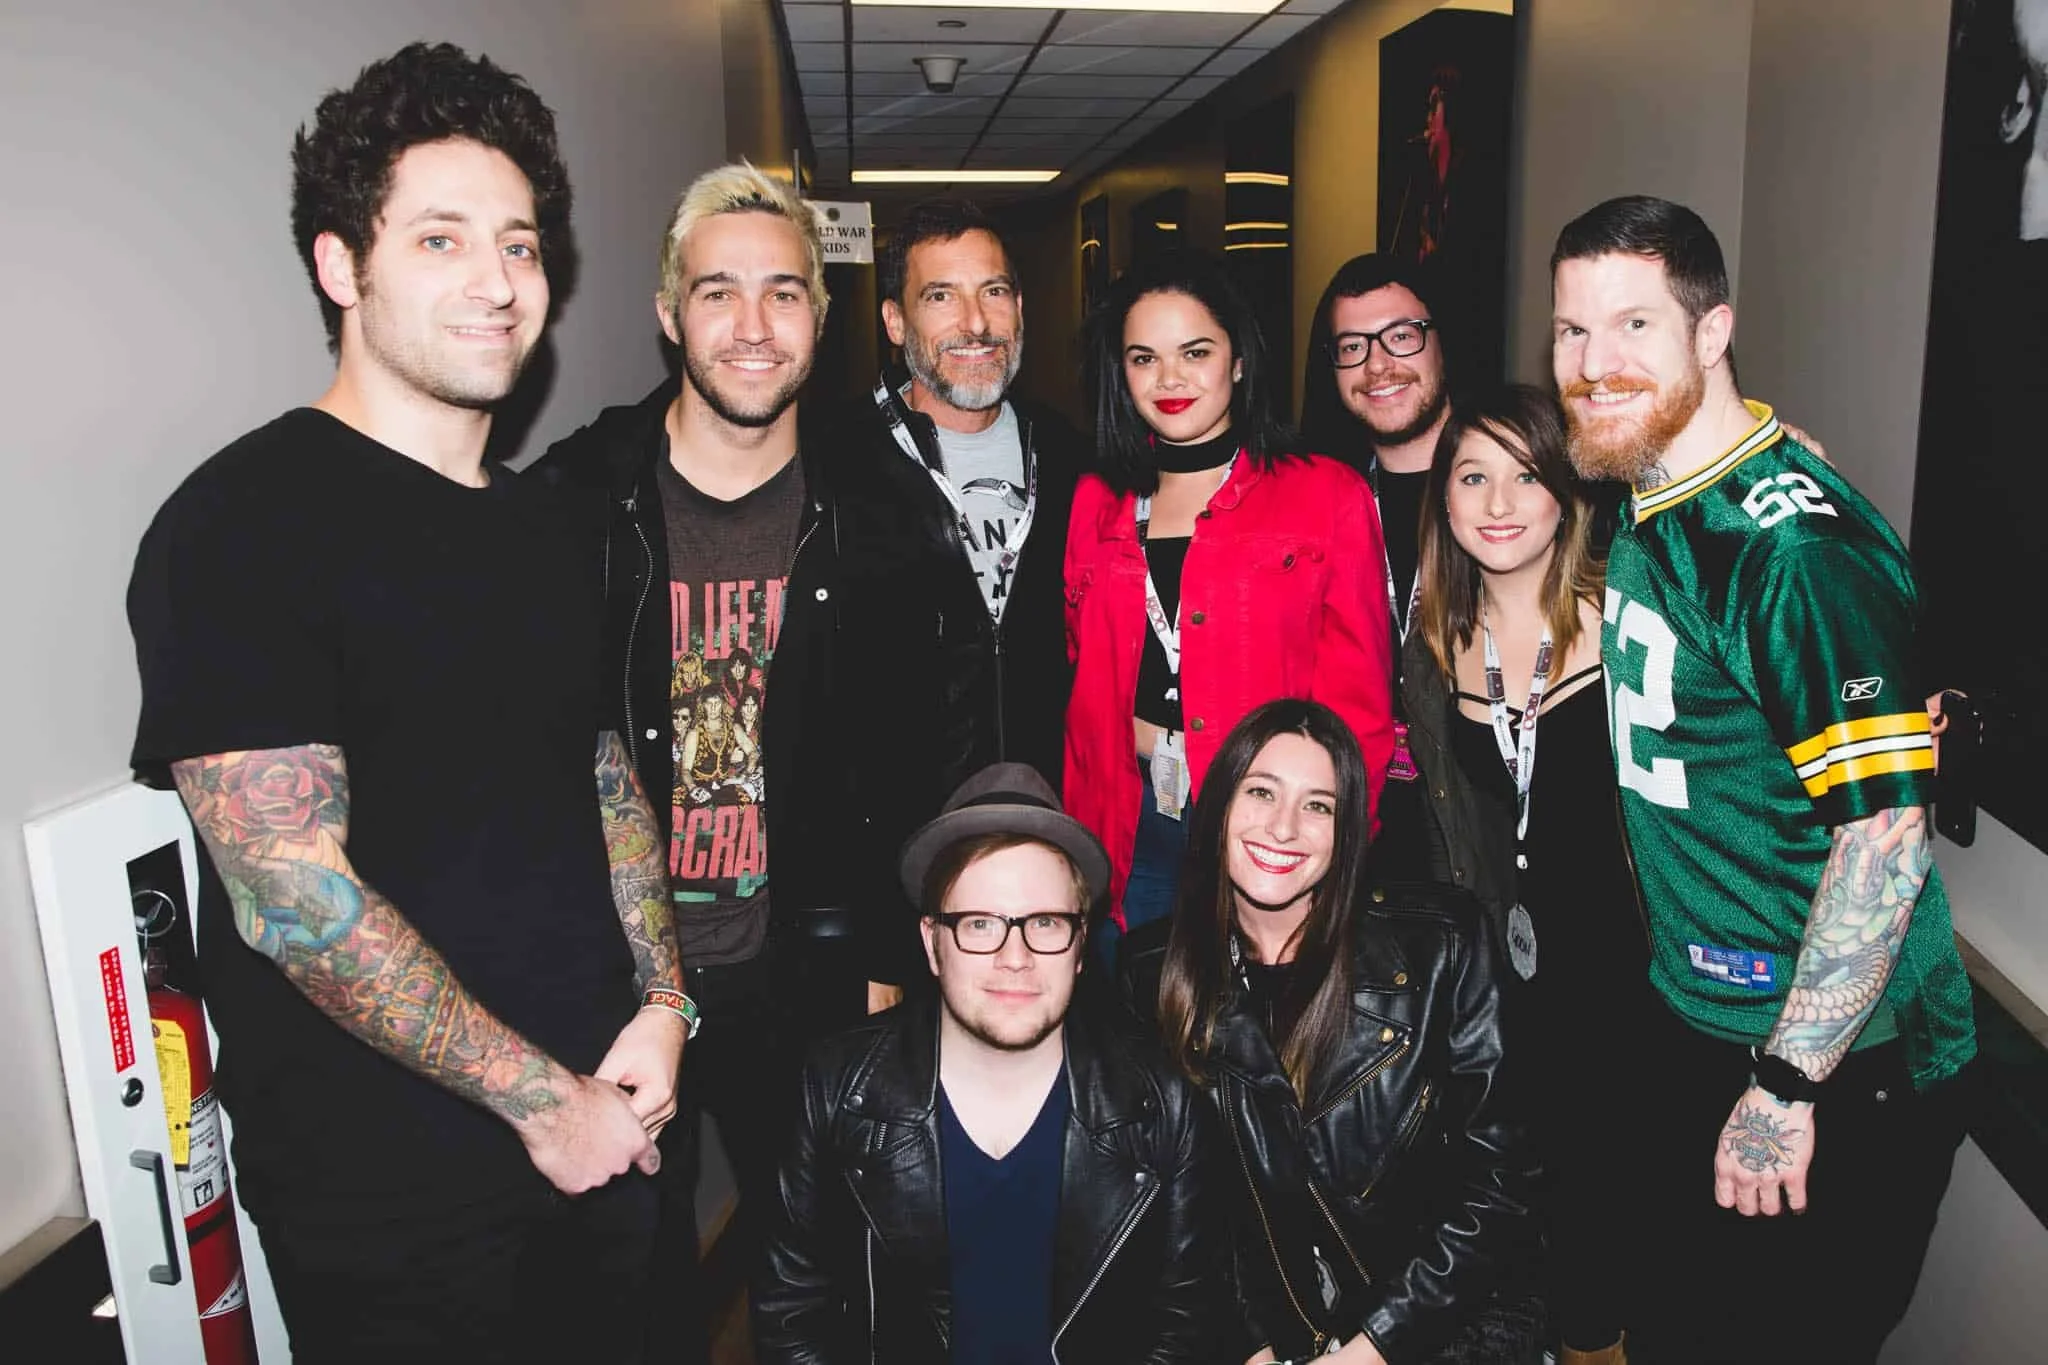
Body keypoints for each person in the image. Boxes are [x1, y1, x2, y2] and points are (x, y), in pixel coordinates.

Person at [125, 43, 678, 1362]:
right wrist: (552, 1107)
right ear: (340, 266)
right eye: (441, 239)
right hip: (398, 1203)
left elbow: (598, 772)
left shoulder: (552, 523)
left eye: (522, 244)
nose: (498, 282)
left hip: (615, 1126)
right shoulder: (239, 526)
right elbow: (293, 901)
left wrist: (665, 1003)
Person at [1550, 195, 1977, 1364]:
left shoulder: (1791, 555)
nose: (1592, 367)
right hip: (1701, 1016)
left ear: (1710, 330)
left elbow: (1883, 841)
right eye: (1570, 333)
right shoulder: (1659, 482)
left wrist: (1785, 1088)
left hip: (1834, 1064)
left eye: (1631, 326)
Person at [529, 162, 860, 1361]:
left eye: (784, 293)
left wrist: (882, 958)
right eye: (717, 292)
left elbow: (916, 752)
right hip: (617, 982)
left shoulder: (873, 507)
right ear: (668, 314)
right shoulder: (573, 501)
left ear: (819, 319)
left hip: (805, 975)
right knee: (626, 1292)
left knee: (821, 1271)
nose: (753, 326)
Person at [1122, 700, 1543, 1365]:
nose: (1284, 826)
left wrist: (1370, 1349)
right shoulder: (1151, 975)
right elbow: (1176, 1207)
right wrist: (1251, 1345)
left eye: (1319, 806)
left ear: (1348, 833)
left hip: (1441, 1323)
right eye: (1260, 791)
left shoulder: (1440, 946)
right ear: (1218, 804)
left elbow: (1502, 1186)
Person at [754, 763, 1220, 1363]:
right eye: (980, 924)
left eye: (1045, 923)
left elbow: (1185, 1329)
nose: (1015, 956)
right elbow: (790, 1317)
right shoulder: (834, 1089)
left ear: (1081, 945)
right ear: (931, 943)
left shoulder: (1163, 1104)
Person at [1404, 384, 1665, 1365]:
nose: (1498, 499)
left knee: (1626, 1238)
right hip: (1514, 994)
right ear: (1444, 499)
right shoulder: (1432, 646)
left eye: (1524, 473)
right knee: (1539, 1230)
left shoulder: (1634, 619)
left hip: (1637, 984)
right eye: (1471, 475)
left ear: (1567, 489)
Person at [1066, 251, 1393, 957]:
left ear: (1239, 360)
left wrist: (1332, 857)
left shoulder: (1326, 495)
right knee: (1134, 1039)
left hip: (1270, 832)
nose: (1171, 379)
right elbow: (1080, 671)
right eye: (1143, 358)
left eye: (1195, 352)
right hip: (1129, 826)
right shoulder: (1097, 502)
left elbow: (1361, 708)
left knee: (1256, 1044)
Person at [827, 197, 1087, 991]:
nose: (976, 322)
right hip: (906, 874)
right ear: (896, 323)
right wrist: (873, 928)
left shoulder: (1076, 457)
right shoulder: (833, 468)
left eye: (996, 292)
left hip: (1050, 853)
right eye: (941, 296)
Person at [1299, 253, 1461, 882]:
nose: (1377, 366)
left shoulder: (1516, 484)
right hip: (1359, 830)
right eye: (1352, 346)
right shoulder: (1322, 501)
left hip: (1481, 832)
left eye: (1400, 336)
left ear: (1441, 342)